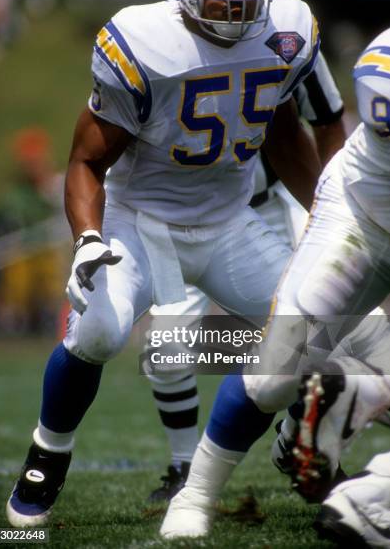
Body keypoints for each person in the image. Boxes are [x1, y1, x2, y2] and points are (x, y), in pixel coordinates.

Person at [6, 0, 323, 527]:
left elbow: (283, 131)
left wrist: (329, 217)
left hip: (231, 223)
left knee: (318, 330)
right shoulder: (144, 41)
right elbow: (86, 162)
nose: (239, 1)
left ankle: (254, 455)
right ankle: (46, 455)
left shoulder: (289, 28)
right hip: (141, 222)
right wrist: (87, 239)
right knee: (98, 331)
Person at [160, 28, 390, 539]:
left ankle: (353, 408)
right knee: (276, 371)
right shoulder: (384, 68)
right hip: (363, 218)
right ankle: (196, 493)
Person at [145, 49, 346, 502]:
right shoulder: (169, 49)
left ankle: (301, 443)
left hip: (271, 206)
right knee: (167, 341)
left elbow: (326, 121)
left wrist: (335, 207)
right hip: (184, 215)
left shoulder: (289, 38)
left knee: (313, 330)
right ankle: (182, 464)